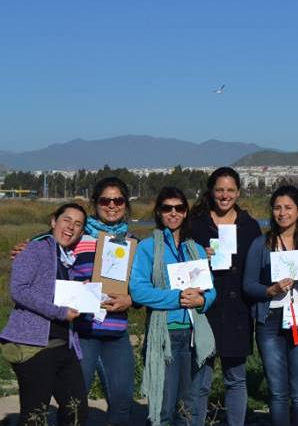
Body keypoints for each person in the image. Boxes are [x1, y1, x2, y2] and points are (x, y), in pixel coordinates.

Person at [130, 187, 217, 426]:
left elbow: (211, 290)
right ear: (159, 212)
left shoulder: (196, 249)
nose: (173, 213)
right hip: (165, 335)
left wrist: (202, 301)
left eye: (179, 208)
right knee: (164, 409)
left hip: (193, 334)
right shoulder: (148, 248)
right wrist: (176, 298)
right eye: (167, 208)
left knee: (187, 408)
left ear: (186, 212)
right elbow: (138, 290)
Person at [1, 203, 88, 425]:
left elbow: (57, 294)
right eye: (66, 220)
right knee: (34, 415)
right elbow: (19, 290)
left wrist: (83, 292)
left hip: (64, 346)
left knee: (76, 410)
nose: (71, 227)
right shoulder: (35, 249)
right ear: (53, 221)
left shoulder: (68, 259)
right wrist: (59, 312)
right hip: (34, 347)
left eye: (78, 224)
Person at [188, 167, 262, 425]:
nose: (224, 195)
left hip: (237, 310)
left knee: (236, 378)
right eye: (219, 189)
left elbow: (257, 268)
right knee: (201, 379)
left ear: (238, 193)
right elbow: (182, 265)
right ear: (211, 191)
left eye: (230, 190)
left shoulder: (249, 226)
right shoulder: (195, 225)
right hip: (203, 309)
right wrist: (199, 256)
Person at [242, 185, 298, 426]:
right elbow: (248, 284)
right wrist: (270, 290)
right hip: (270, 321)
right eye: (277, 207)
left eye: (288, 207)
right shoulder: (261, 244)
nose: (282, 213)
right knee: (277, 393)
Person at [71, 177, 138, 425]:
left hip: (116, 332)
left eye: (118, 200)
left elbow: (141, 285)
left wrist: (130, 300)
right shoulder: (77, 236)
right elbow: (47, 254)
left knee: (122, 401)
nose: (112, 205)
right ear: (95, 203)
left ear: (125, 204)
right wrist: (27, 248)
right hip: (83, 331)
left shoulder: (132, 242)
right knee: (75, 401)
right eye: (105, 200)